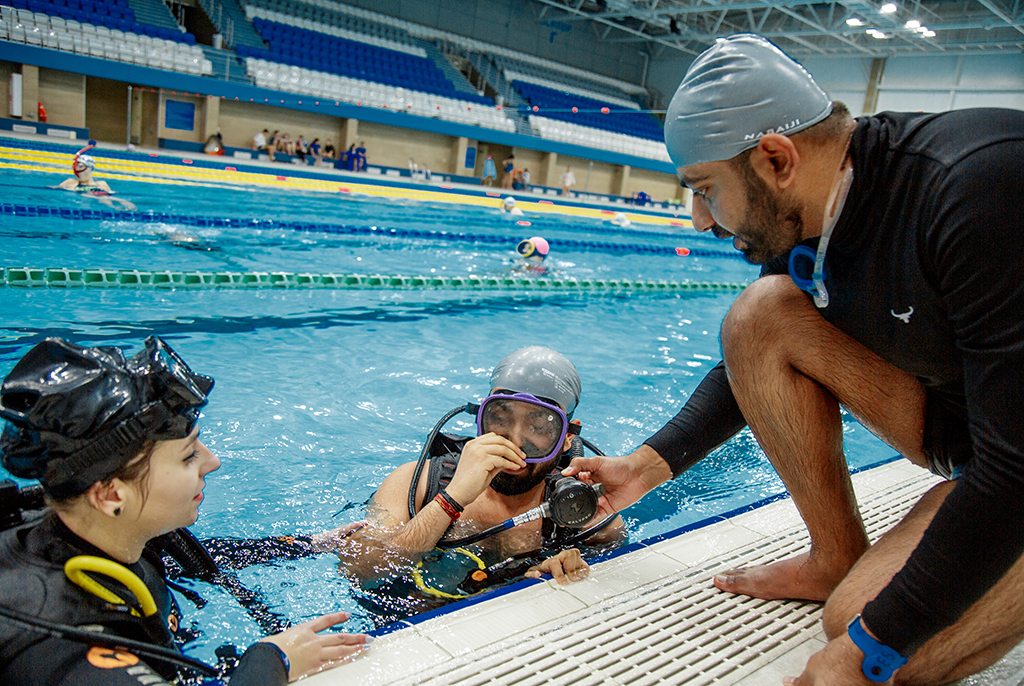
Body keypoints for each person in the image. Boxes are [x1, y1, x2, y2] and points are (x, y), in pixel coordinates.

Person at [563, 34, 1024, 686]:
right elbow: (753, 362)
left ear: (776, 158)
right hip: (978, 440)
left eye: (704, 189)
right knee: (760, 316)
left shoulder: (979, 190)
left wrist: (870, 653)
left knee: (872, 630)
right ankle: (836, 555)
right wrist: (645, 468)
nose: (700, 221)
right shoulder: (817, 216)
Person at [0, 337, 371, 685]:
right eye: (188, 454)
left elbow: (198, 558)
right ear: (112, 495)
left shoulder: (103, 535)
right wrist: (272, 658)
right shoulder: (57, 650)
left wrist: (306, 543)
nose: (213, 461)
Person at [322, 347, 622, 619]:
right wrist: (451, 500)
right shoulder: (419, 482)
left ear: (568, 437)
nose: (514, 440)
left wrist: (554, 579)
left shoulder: (583, 515)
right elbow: (359, 569)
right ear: (481, 417)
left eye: (539, 425)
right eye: (500, 418)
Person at [58, 148, 136, 211]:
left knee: (109, 200)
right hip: (85, 205)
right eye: (75, 166)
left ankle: (115, 209)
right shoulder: (70, 182)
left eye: (80, 166)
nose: (77, 170)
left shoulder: (102, 184)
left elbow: (112, 195)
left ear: (90, 169)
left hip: (101, 205)